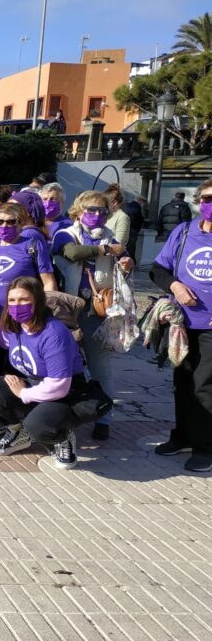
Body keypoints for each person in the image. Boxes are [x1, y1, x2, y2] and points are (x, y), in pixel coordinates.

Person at [0, 276, 92, 470]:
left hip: (67, 392)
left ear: (37, 301)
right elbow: (5, 339)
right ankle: (19, 433)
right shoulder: (17, 326)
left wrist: (23, 393)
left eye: (23, 300)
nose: (16, 305)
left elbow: (59, 386)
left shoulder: (54, 333)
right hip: (35, 383)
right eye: (12, 300)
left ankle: (62, 437)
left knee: (36, 425)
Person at [52, 190, 136, 439]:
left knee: (100, 367)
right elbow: (72, 253)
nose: (97, 214)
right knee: (64, 367)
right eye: (91, 209)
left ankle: (104, 418)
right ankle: (63, 417)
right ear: (78, 211)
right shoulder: (65, 233)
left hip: (95, 311)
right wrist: (104, 250)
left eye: (102, 210)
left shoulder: (110, 237)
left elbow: (124, 259)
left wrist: (126, 263)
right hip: (66, 311)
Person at [150, 178, 212, 472]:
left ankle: (205, 447)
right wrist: (174, 285)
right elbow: (158, 269)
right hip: (182, 323)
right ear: (199, 202)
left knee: (205, 386)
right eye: (208, 198)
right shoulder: (184, 232)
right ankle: (184, 436)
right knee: (182, 383)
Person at [0, 203, 56, 320]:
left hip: (17, 316)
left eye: (11, 222)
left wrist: (44, 313)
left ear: (21, 223)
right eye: (0, 222)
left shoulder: (32, 245)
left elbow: (48, 282)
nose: (4, 225)